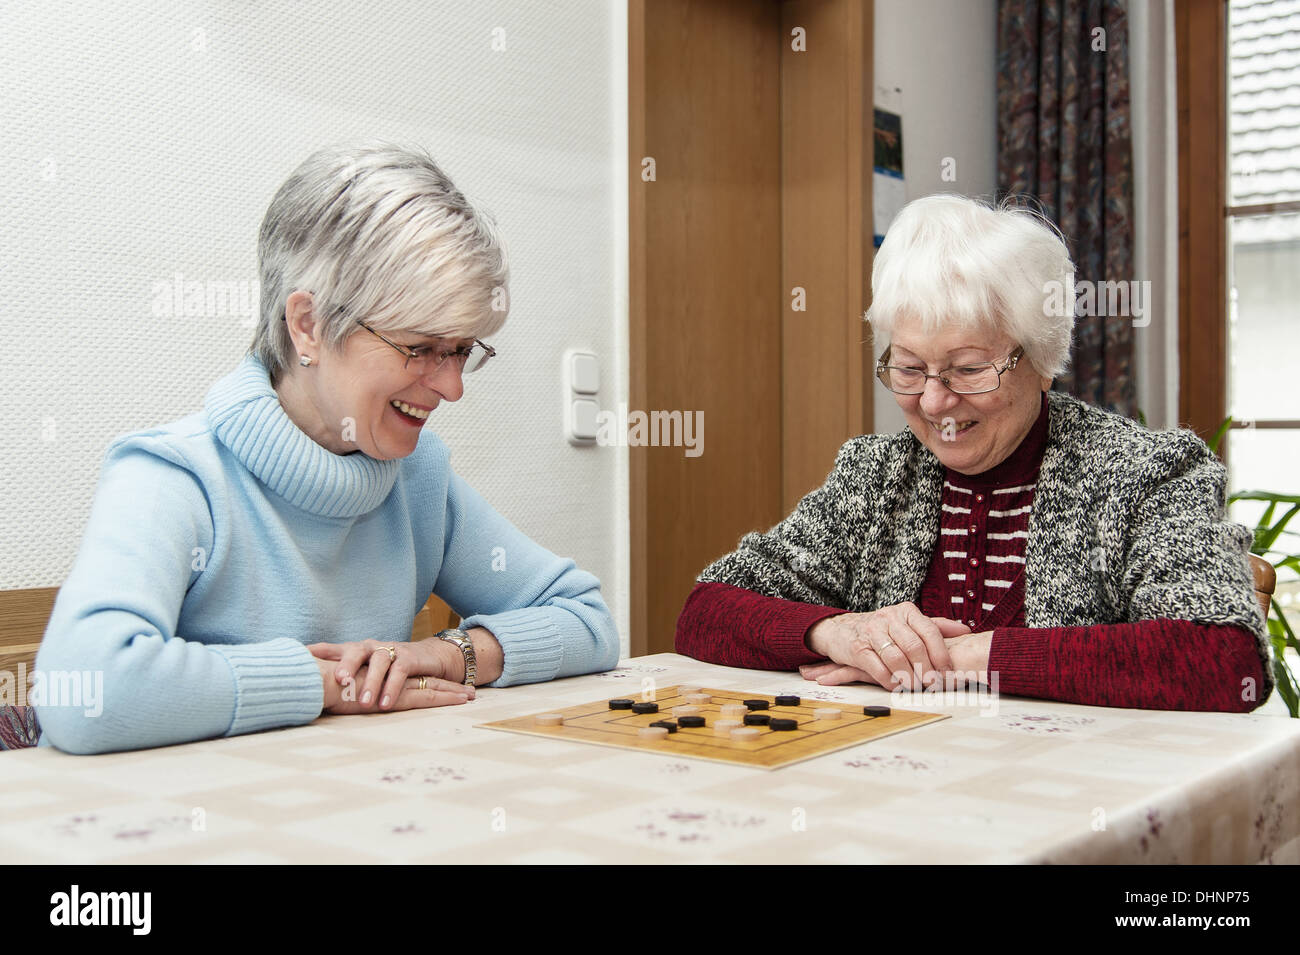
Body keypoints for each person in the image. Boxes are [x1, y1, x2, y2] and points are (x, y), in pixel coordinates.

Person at [26, 142, 619, 754]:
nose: (452, 386)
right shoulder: (173, 477)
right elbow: (85, 693)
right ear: (307, 326)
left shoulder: (416, 480)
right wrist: (328, 683)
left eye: (462, 350)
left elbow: (588, 621)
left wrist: (451, 654)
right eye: (419, 347)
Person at [676, 193, 1272, 713]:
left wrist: (960, 655)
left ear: (1041, 360)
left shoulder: (1144, 473)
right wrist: (837, 633)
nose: (934, 403)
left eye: (967, 369)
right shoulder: (877, 477)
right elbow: (704, 612)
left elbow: (1225, 658)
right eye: (909, 368)